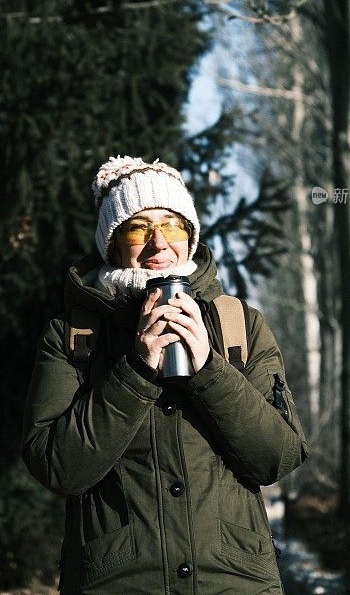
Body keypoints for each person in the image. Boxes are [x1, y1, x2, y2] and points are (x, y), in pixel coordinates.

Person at [22, 155, 308, 595]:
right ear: (112, 244)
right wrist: (136, 371)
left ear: (190, 239)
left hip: (234, 583)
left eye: (173, 225)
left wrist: (208, 370)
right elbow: (57, 467)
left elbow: (277, 458)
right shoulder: (73, 336)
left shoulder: (239, 326)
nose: (159, 244)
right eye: (139, 228)